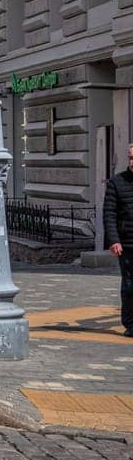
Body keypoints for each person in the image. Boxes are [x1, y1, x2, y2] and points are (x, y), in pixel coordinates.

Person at [102, 144, 133, 336]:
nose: (132, 161)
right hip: (128, 243)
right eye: (130, 157)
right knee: (130, 285)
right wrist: (114, 240)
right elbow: (109, 214)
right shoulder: (117, 182)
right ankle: (130, 324)